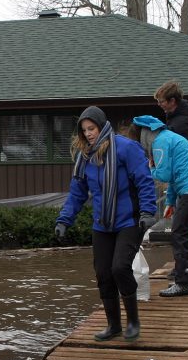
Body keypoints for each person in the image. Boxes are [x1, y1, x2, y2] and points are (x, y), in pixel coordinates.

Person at [55, 106, 158, 342]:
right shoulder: (85, 157)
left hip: (130, 221)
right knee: (103, 273)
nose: (88, 134)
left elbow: (144, 181)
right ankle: (113, 326)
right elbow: (77, 193)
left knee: (120, 268)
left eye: (91, 128)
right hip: (102, 224)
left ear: (102, 126)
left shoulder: (126, 148)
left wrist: (148, 211)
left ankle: (133, 321)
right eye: (84, 130)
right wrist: (64, 219)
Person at [128, 115, 188, 297]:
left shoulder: (159, 143)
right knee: (186, 232)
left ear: (144, 134)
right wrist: (170, 202)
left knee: (178, 233)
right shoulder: (170, 137)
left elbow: (164, 174)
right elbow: (174, 174)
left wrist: (148, 168)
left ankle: (182, 283)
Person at [154, 80, 188, 153]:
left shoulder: (182, 123)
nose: (159, 104)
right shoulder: (175, 117)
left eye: (161, 101)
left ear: (172, 101)